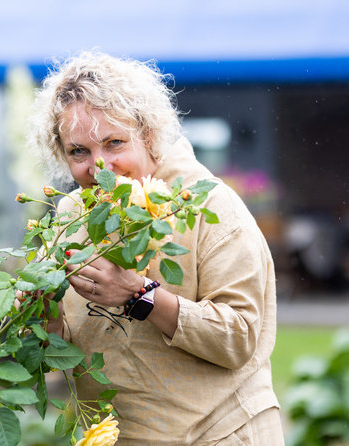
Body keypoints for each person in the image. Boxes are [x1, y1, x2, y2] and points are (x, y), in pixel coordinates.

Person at [28, 51, 285, 445]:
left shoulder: (206, 206)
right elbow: (63, 349)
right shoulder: (69, 219)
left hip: (222, 433)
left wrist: (139, 296)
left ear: (147, 135)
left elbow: (239, 337)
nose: (100, 167)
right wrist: (42, 315)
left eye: (114, 143)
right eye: (79, 151)